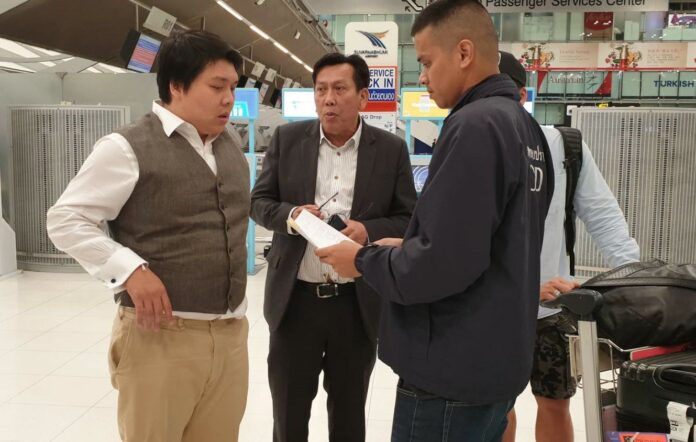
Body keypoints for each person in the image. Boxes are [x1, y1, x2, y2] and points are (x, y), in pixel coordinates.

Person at [315, 1, 554, 440]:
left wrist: (363, 261)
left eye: (426, 61)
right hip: (497, 357)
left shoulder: (474, 126)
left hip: (450, 366)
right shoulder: (526, 129)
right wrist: (407, 247)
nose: (421, 76)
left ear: (463, 53)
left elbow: (442, 264)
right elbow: (491, 242)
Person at [46, 30, 250, 442]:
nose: (229, 98)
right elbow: (65, 220)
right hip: (161, 338)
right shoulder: (126, 147)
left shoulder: (228, 143)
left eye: (232, 87)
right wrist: (130, 269)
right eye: (217, 87)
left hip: (230, 336)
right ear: (176, 85)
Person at [250, 53, 416, 442]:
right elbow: (259, 202)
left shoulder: (390, 150)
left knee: (348, 417)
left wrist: (368, 230)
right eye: (320, 89)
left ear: (362, 97)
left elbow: (409, 218)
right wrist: (292, 216)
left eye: (339, 89)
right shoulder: (288, 141)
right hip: (295, 303)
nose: (328, 99)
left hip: (355, 305)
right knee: (288, 418)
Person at [498, 51, 640, 442]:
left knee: (555, 402)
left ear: (522, 95)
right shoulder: (473, 146)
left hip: (553, 307)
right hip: (492, 309)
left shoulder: (563, 146)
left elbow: (603, 216)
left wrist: (634, 283)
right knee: (496, 406)